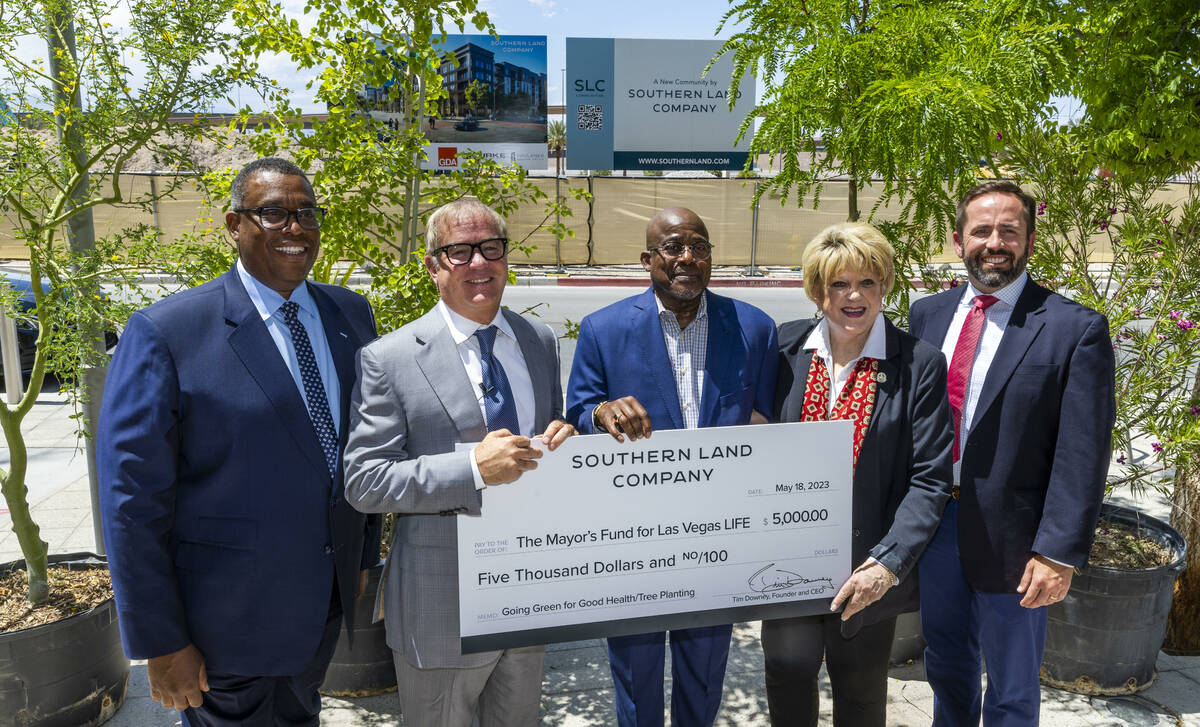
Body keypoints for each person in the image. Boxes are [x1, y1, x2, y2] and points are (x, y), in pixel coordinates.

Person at [97, 157, 381, 726]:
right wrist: (160, 640)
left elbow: (360, 447)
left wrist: (363, 557)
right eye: (273, 213)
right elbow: (131, 502)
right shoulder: (167, 332)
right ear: (234, 225)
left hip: (321, 609)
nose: (295, 228)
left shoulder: (350, 313)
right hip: (223, 629)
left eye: (307, 214)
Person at [342, 199, 576, 727]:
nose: (478, 263)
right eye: (459, 251)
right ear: (433, 266)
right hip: (439, 603)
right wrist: (473, 468)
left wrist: (563, 435)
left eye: (490, 248)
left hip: (528, 589)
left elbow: (544, 435)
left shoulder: (537, 341)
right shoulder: (391, 358)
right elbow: (364, 482)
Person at [910, 180, 1116, 726]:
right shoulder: (926, 315)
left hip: (1018, 542)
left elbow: (1083, 453)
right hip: (935, 528)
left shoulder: (1075, 329)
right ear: (958, 241)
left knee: (1012, 686)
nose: (994, 242)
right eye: (981, 230)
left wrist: (1058, 552)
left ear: (1028, 240)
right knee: (946, 664)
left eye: (1009, 230)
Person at [565, 206, 778, 727]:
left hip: (716, 535)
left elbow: (769, 419)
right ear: (647, 260)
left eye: (699, 247)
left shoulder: (753, 328)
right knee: (636, 673)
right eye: (673, 247)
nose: (687, 257)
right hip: (633, 536)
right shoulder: (603, 328)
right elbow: (576, 409)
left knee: (705, 673)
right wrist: (600, 412)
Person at [763, 222, 953, 725]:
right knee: (786, 685)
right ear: (816, 289)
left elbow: (931, 478)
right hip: (787, 567)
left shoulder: (918, 364)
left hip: (867, 571)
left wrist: (886, 565)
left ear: (885, 285)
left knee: (862, 699)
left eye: (867, 282)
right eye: (838, 284)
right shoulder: (782, 351)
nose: (853, 296)